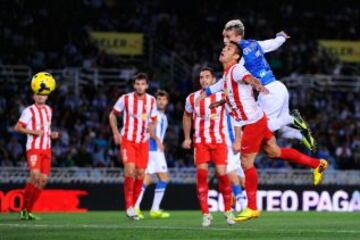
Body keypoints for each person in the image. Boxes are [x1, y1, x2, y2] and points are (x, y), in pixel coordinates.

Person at [202, 41, 328, 222]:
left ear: (236, 56)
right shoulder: (227, 75)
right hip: (258, 119)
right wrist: (219, 102)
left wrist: (256, 84)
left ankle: (252, 207)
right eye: (224, 48)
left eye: (228, 49)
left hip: (253, 122)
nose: (223, 49)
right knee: (274, 152)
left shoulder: (236, 70)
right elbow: (236, 93)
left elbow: (247, 78)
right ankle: (317, 164)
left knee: (246, 163)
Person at [218, 19, 316, 151]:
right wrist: (281, 37)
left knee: (262, 128)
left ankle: (292, 118)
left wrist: (214, 92)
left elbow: (230, 78)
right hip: (278, 87)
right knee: (281, 131)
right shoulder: (254, 44)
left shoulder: (238, 58)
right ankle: (302, 136)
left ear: (238, 36)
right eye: (224, 37)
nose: (225, 40)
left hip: (269, 92)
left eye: (228, 37)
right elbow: (274, 44)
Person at [183, 67, 235, 227]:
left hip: (219, 141)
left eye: (207, 77)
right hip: (200, 142)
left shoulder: (222, 95)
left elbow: (235, 113)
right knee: (201, 175)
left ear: (213, 80)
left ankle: (228, 210)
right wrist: (187, 138)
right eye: (201, 77)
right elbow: (186, 116)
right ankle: (206, 214)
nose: (204, 80)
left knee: (221, 173)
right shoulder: (192, 98)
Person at [109, 73, 157, 220]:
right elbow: (112, 115)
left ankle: (133, 207)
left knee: (141, 174)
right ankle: (129, 206)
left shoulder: (151, 100)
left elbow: (154, 119)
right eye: (137, 84)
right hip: (128, 140)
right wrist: (116, 133)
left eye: (142, 84)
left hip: (143, 142)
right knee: (130, 171)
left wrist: (151, 126)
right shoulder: (125, 98)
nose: (140, 86)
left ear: (147, 86)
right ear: (134, 85)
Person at [15, 91, 59, 220]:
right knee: (35, 176)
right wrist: (32, 131)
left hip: (47, 149)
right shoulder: (28, 111)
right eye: (38, 94)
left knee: (43, 180)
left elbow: (46, 128)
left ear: (47, 97)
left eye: (43, 94)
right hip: (34, 148)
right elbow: (18, 127)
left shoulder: (49, 110)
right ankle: (23, 210)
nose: (41, 96)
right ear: (33, 96)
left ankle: (28, 211)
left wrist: (52, 134)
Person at [135, 90, 171, 219]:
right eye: (159, 99)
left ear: (167, 102)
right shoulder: (153, 113)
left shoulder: (163, 116)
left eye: (163, 99)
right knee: (163, 178)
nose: (161, 102)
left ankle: (137, 207)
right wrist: (158, 141)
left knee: (148, 179)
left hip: (153, 150)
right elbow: (148, 129)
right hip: (153, 149)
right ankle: (151, 209)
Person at [223, 111, 247, 211]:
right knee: (231, 175)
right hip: (227, 147)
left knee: (243, 182)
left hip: (236, 144)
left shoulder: (232, 108)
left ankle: (231, 205)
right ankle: (242, 205)